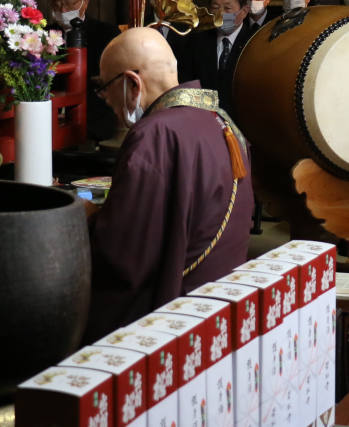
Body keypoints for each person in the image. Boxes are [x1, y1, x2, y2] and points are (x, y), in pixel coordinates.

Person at [86, 28, 254, 339]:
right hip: (222, 304)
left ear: (132, 83)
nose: (108, 101)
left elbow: (125, 252)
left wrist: (88, 219)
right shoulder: (220, 120)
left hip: (175, 316)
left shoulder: (156, 134)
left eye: (106, 88)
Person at [47, 0, 121, 141]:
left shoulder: (107, 34)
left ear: (85, 2)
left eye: (69, 3)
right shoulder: (42, 35)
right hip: (51, 115)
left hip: (94, 116)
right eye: (56, 3)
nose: (63, 10)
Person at [178, 0, 250, 119]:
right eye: (215, 7)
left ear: (244, 11)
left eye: (228, 8)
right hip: (203, 121)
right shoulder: (196, 42)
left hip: (243, 123)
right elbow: (185, 83)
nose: (220, 13)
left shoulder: (254, 42)